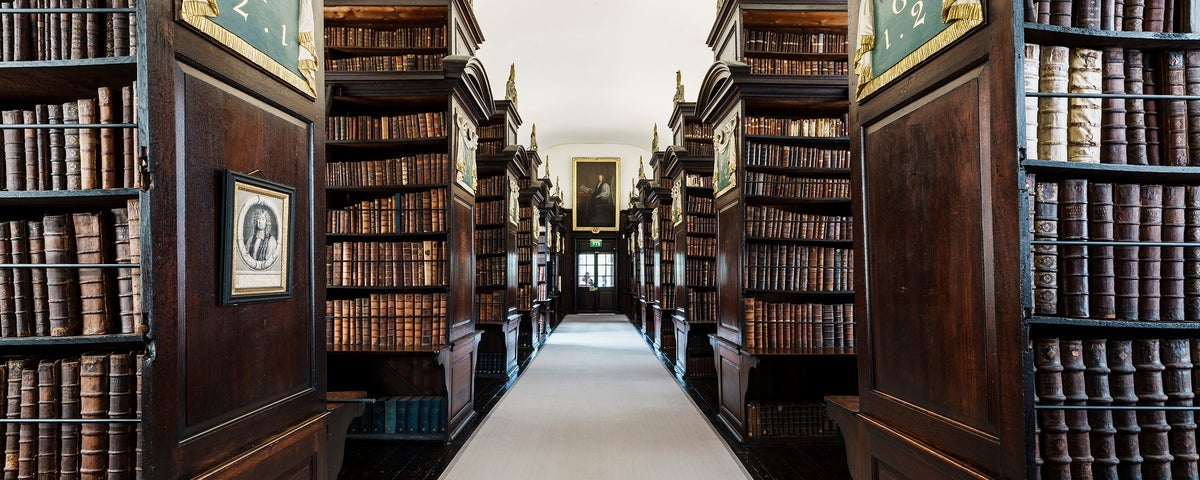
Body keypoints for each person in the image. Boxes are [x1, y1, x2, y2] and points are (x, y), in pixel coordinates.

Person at [243, 205, 280, 270]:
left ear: (267, 222)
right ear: (256, 221)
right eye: (258, 218)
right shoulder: (250, 239)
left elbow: (268, 261)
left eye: (263, 219)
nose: (260, 221)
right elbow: (246, 256)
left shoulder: (271, 241)